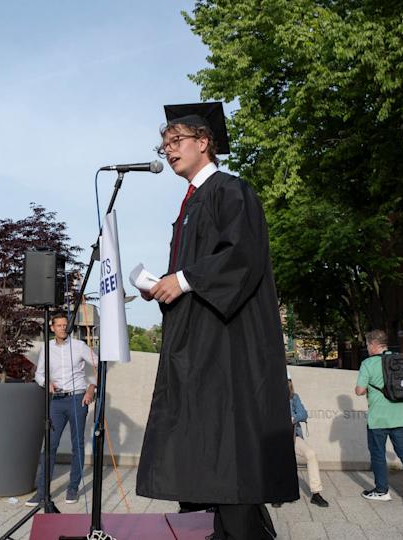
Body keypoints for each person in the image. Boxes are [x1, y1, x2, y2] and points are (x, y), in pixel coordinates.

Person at [135, 102, 297, 539]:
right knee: (199, 448)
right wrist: (162, 287)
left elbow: (242, 255)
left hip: (226, 345)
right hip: (196, 343)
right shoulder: (188, 205)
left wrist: (184, 280)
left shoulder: (230, 191)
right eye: (164, 144)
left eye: (176, 141)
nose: (168, 151)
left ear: (204, 143)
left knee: (229, 452)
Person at [26, 312, 97, 506]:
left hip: (77, 399)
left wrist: (91, 388)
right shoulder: (47, 348)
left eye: (65, 325)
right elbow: (39, 374)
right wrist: (46, 382)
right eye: (59, 325)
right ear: (52, 327)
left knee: (78, 445)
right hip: (56, 401)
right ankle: (42, 492)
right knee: (50, 445)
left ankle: (72, 488)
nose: (63, 328)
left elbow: (101, 366)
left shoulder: (79, 346)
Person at [355, 329, 403, 507]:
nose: (366, 348)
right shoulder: (401, 359)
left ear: (373, 344)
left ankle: (381, 491)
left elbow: (359, 391)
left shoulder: (368, 363)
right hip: (401, 415)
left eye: (367, 344)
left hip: (379, 418)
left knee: (378, 454)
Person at [286, 372, 328, 508]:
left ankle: (316, 493)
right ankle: (278, 494)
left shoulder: (294, 397)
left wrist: (293, 419)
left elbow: (304, 414)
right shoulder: (270, 398)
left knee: (311, 454)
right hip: (276, 438)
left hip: (293, 437)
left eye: (287, 381)